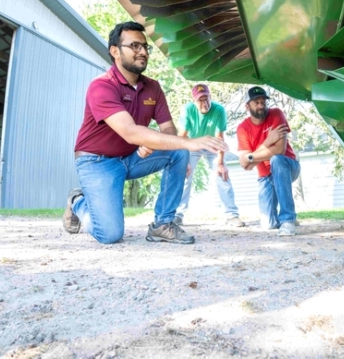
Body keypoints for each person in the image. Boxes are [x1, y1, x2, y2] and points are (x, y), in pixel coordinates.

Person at [62, 21, 228, 245]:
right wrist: (189, 143)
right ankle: (78, 201)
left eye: (145, 47)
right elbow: (130, 132)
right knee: (110, 234)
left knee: (177, 149)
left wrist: (168, 143)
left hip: (132, 158)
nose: (143, 52)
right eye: (134, 46)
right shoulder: (101, 86)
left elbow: (168, 129)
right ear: (115, 51)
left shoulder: (153, 87)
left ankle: (163, 224)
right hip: (97, 162)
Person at [175, 84, 244, 227]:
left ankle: (232, 215)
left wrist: (220, 164)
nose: (205, 103)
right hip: (192, 144)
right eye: (200, 100)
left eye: (207, 98)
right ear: (194, 101)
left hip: (212, 144)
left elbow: (219, 138)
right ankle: (177, 215)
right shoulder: (187, 110)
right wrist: (184, 162)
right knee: (184, 175)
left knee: (221, 174)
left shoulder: (219, 110)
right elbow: (181, 138)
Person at [236, 86, 300, 236]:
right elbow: (244, 164)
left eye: (263, 101)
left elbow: (279, 151)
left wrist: (251, 157)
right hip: (266, 176)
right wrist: (268, 141)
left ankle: (288, 220)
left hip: (288, 166)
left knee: (276, 160)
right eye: (256, 102)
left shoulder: (276, 114)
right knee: (268, 224)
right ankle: (278, 219)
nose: (261, 105)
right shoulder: (242, 129)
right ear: (247, 106)